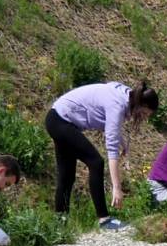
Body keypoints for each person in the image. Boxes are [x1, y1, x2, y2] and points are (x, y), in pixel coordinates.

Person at [45, 81, 158, 230]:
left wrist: (121, 141)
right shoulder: (117, 105)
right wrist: (116, 187)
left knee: (67, 176)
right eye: (144, 114)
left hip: (58, 118)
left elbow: (110, 124)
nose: (143, 118)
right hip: (61, 121)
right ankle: (104, 219)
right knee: (96, 162)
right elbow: (111, 150)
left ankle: (59, 224)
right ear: (139, 105)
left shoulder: (124, 94)